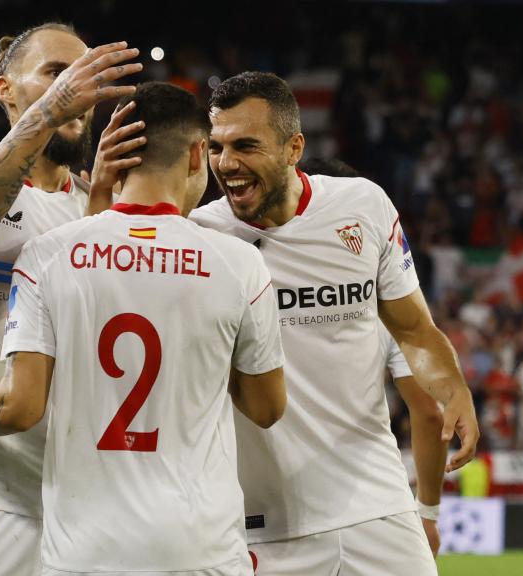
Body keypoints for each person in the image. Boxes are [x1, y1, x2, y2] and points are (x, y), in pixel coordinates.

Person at [0, 81, 285, 576]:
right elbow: (266, 408)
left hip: (85, 554)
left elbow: (20, 408)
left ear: (117, 150)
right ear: (198, 154)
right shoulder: (238, 263)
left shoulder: (48, 255)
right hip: (202, 549)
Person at [187, 71, 478, 574]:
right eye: (217, 146)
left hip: (377, 507)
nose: (227, 163)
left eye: (246, 145)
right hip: (262, 524)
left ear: (293, 146)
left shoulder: (362, 205)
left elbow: (413, 332)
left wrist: (453, 386)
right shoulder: (199, 235)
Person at [0, 23, 141, 576]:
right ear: (5, 89)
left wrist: (103, 205)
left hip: (79, 493)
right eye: (58, 74)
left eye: (86, 75)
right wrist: (50, 112)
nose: (79, 87)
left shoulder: (96, 204)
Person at [301, 156, 449, 557]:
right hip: (367, 507)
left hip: (267, 509)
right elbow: (430, 411)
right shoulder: (383, 305)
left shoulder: (247, 274)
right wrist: (429, 512)